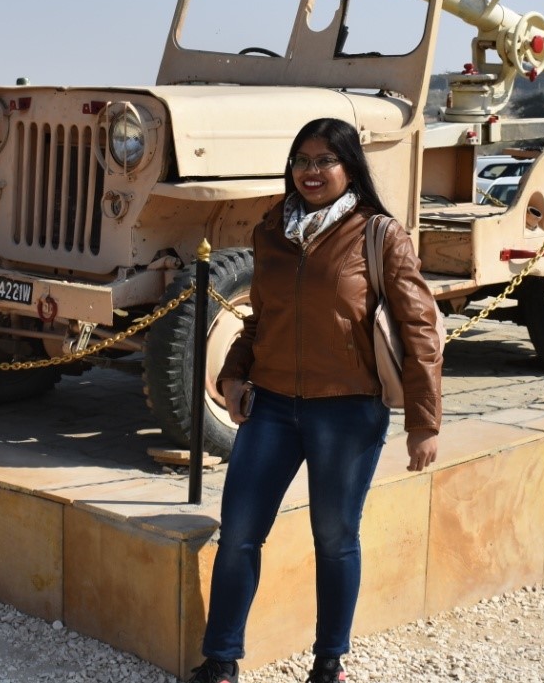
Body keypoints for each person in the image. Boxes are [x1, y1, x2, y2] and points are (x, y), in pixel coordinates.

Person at [187, 118, 444, 683]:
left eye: (324, 159)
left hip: (348, 410)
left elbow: (419, 326)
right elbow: (260, 319)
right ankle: (221, 660)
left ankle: (330, 661)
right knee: (239, 533)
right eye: (301, 159)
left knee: (333, 536)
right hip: (272, 408)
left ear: (349, 166)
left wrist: (423, 422)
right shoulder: (272, 230)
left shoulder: (378, 233)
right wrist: (233, 375)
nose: (310, 171)